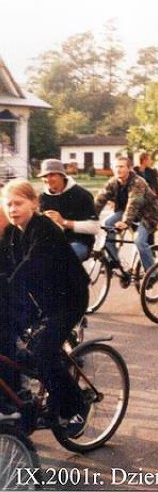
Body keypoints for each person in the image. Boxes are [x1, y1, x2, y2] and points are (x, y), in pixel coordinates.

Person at [0, 180, 90, 435]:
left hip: (68, 300)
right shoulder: (13, 233)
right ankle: (20, 399)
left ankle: (75, 404)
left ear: (34, 203)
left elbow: (29, 265)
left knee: (42, 350)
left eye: (19, 203)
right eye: (9, 204)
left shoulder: (44, 228)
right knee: (12, 341)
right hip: (40, 299)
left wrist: (7, 284)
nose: (13, 209)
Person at [94, 156, 158, 273]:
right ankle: (113, 260)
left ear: (129, 168)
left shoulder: (137, 182)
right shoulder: (113, 182)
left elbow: (134, 202)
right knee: (108, 223)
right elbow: (100, 199)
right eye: (116, 167)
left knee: (139, 242)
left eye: (121, 166)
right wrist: (89, 217)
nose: (118, 169)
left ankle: (153, 273)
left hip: (147, 214)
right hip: (126, 211)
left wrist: (125, 222)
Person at [37, 158, 100, 262]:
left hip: (79, 242)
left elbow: (94, 227)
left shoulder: (81, 195)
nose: (48, 179)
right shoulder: (42, 197)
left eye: (52, 175)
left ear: (62, 175)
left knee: (61, 259)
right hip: (51, 242)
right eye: (44, 176)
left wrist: (63, 222)